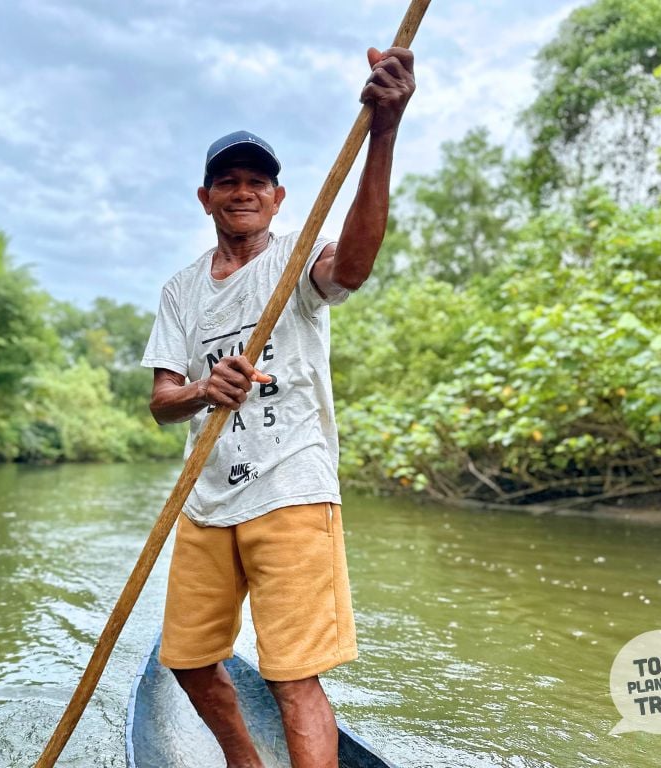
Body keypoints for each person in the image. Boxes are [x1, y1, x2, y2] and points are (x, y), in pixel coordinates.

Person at [140, 45, 415, 768]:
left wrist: (383, 132)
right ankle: (244, 761)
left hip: (291, 488)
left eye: (256, 182)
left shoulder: (298, 259)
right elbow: (162, 401)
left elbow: (352, 267)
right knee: (191, 661)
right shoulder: (180, 291)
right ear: (205, 198)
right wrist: (205, 389)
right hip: (206, 502)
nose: (242, 192)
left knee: (293, 677)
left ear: (277, 197)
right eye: (226, 182)